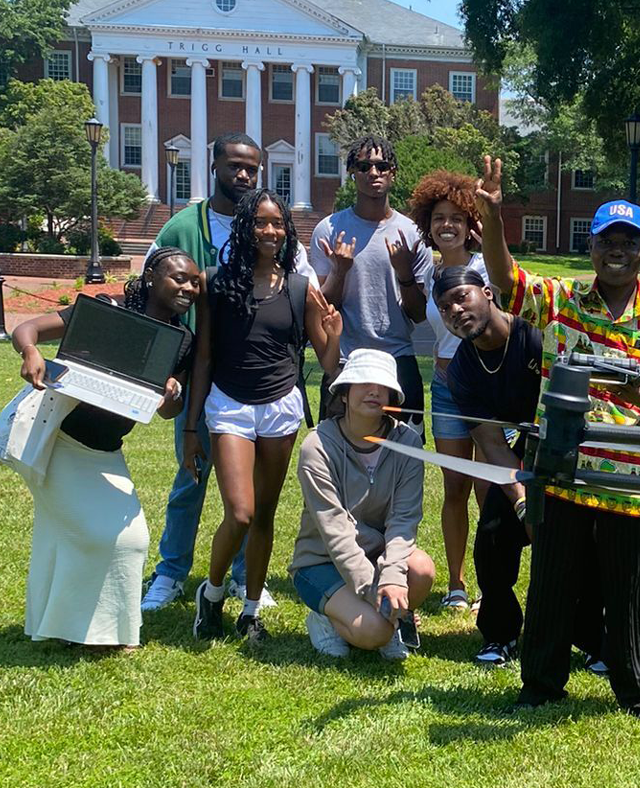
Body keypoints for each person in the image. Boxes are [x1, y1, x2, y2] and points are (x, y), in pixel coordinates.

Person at [476, 155, 640, 724]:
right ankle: (542, 683)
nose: (616, 251)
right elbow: (506, 281)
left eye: (628, 241)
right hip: (562, 469)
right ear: (593, 247)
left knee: (630, 589)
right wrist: (493, 217)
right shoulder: (563, 301)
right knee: (553, 581)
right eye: (606, 241)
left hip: (631, 475)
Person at [141, 131, 320, 613]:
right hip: (201, 375)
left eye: (251, 168)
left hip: (264, 381)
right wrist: (163, 367)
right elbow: (149, 292)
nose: (242, 174)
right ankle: (171, 572)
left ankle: (244, 579)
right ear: (214, 166)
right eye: (233, 166)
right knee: (191, 477)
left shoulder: (277, 231)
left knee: (254, 500)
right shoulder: (182, 227)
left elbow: (305, 294)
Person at [12, 247, 199, 648]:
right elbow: (27, 329)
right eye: (179, 278)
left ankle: (76, 628)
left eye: (195, 282)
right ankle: (99, 632)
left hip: (106, 450)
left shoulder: (182, 340)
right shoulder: (106, 309)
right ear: (150, 277)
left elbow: (171, 411)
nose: (188, 287)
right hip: (58, 441)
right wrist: (30, 352)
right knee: (96, 535)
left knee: (125, 539)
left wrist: (171, 394)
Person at [187, 189, 342, 645]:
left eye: (277, 223)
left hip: (279, 406)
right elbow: (203, 357)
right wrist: (192, 427)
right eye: (260, 222)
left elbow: (329, 363)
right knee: (239, 511)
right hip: (229, 404)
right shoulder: (214, 281)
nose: (270, 231)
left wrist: (333, 336)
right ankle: (212, 593)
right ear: (244, 227)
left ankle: (251, 609)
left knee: (265, 515)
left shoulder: (299, 288)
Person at [291, 349, 437, 659]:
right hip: (320, 560)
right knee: (375, 632)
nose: (373, 391)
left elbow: (404, 520)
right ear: (343, 394)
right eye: (362, 383)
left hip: (378, 553)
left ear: (391, 394)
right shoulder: (316, 446)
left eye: (382, 385)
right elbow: (336, 532)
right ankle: (324, 619)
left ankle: (384, 618)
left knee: (421, 570)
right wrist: (376, 592)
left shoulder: (408, 443)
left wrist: (394, 578)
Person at [436, 267, 547, 667]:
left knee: (575, 538)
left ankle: (587, 633)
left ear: (487, 292)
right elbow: (490, 444)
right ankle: (501, 635)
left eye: (462, 297)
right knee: (494, 534)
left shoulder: (535, 335)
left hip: (566, 446)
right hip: (516, 452)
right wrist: (523, 505)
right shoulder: (462, 370)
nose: (455, 310)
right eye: (445, 308)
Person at [310, 135, 433, 426]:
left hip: (398, 357)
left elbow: (417, 314)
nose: (373, 173)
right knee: (338, 454)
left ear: (393, 172)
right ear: (352, 173)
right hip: (346, 359)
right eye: (364, 166)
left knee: (405, 453)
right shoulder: (329, 229)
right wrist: (340, 270)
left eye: (382, 165)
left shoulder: (413, 234)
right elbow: (323, 309)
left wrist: (404, 274)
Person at [409, 170, 489, 611]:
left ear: (470, 222)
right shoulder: (429, 273)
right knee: (455, 487)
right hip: (444, 388)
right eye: (439, 217)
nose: (447, 225)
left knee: (488, 491)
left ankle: (488, 584)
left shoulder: (484, 269)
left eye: (457, 217)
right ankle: (456, 585)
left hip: (487, 389)